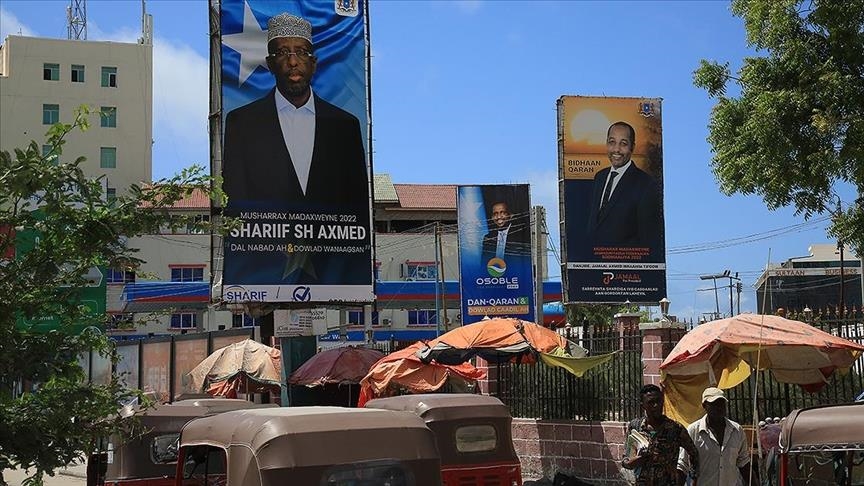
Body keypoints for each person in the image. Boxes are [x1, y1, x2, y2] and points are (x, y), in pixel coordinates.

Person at [222, 12, 369, 207]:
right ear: (270, 64)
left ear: (313, 64)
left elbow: (357, 203)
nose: (292, 62)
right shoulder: (242, 122)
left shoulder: (345, 126)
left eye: (301, 52)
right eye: (282, 52)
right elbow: (234, 202)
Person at [586, 121, 662, 257]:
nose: (616, 149)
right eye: (612, 142)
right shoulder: (599, 177)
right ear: (606, 144)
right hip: (594, 261)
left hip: (627, 263)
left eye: (623, 143)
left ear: (632, 147)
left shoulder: (645, 184)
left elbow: (647, 236)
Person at [678, 387, 757, 486]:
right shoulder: (693, 431)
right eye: (714, 404)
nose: (719, 407)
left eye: (721, 403)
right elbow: (682, 465)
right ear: (704, 406)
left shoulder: (737, 430)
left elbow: (744, 463)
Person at [622, 384, 699, 485]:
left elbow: (693, 453)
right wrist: (632, 462)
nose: (656, 405)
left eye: (658, 401)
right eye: (651, 402)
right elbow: (625, 459)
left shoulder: (675, 428)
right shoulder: (635, 427)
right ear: (643, 405)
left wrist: (692, 479)